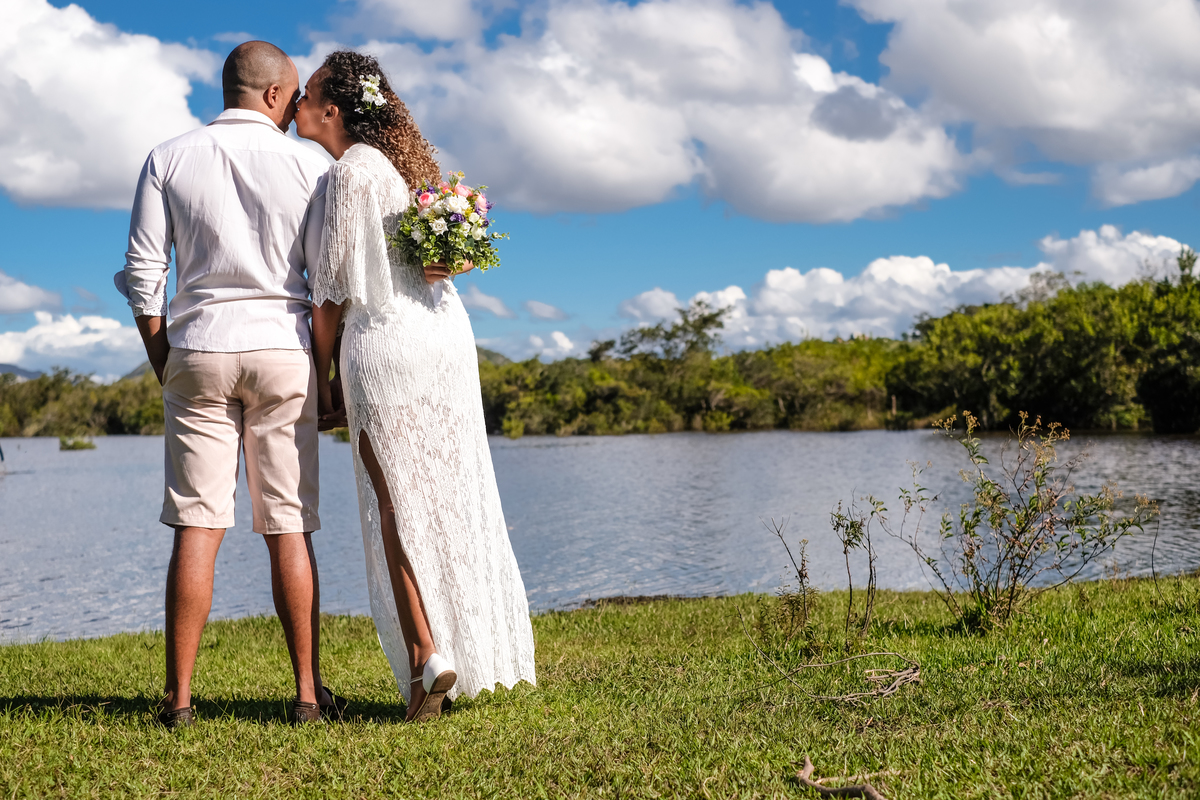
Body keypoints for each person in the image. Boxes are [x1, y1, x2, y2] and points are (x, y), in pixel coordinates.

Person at [296, 51, 536, 722]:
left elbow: (332, 294)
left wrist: (325, 379)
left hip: (387, 344)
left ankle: (428, 656)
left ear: (333, 110)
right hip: (445, 339)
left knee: (392, 501)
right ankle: (449, 658)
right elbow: (438, 262)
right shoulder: (411, 172)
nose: (296, 105)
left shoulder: (349, 175)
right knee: (446, 493)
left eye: (307, 93)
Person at [116, 41, 342, 728]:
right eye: (295, 94)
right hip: (282, 348)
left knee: (196, 522)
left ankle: (179, 702)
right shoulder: (310, 164)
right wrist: (325, 381)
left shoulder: (169, 156)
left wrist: (166, 363)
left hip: (198, 346)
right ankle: (306, 694)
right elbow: (325, 285)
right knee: (289, 524)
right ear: (275, 95)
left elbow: (143, 278)